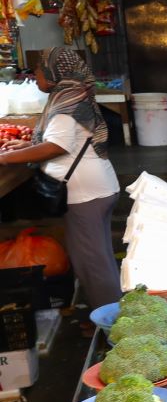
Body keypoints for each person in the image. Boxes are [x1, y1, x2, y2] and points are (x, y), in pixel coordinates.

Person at [0, 47, 121, 309]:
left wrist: (5, 159)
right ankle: (109, 315)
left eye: (38, 70)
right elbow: (66, 141)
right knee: (97, 259)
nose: (35, 76)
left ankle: (112, 325)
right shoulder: (73, 94)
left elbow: (58, 146)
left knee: (91, 264)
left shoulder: (67, 102)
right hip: (95, 188)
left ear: (55, 72)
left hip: (86, 193)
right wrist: (25, 148)